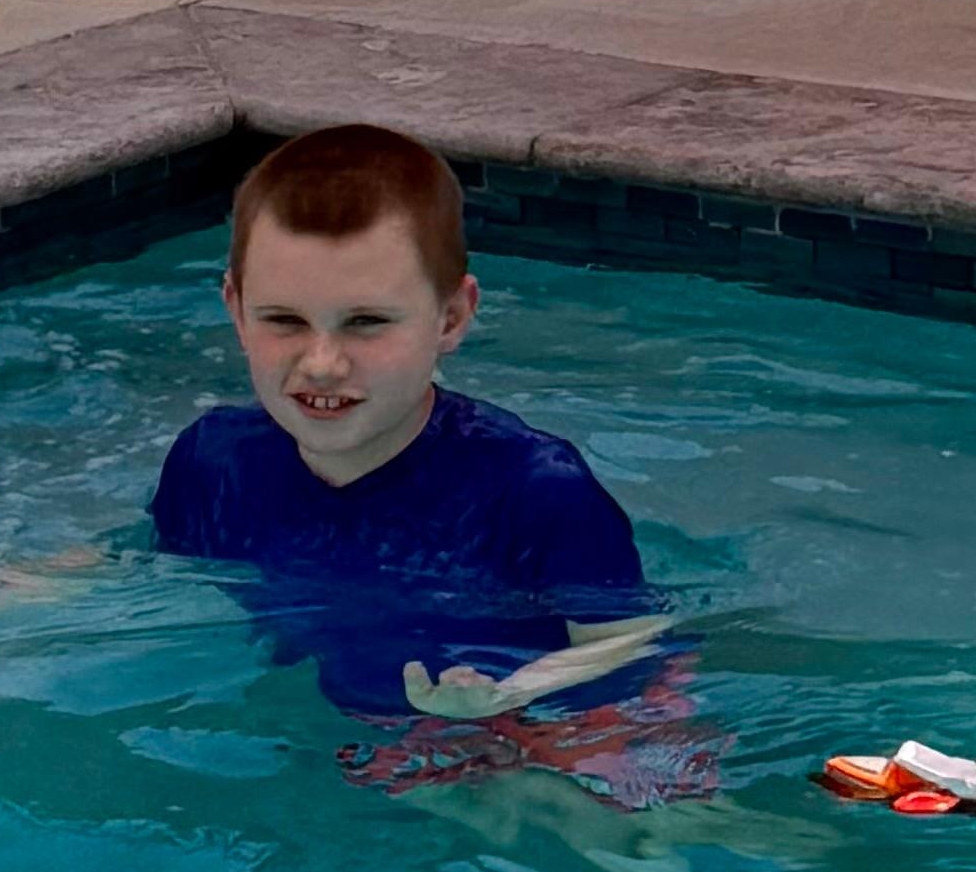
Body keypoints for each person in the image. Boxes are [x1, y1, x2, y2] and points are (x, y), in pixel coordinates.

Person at [151, 123, 679, 737]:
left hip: (528, 729)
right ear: (237, 312)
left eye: (366, 322)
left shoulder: (534, 490)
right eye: (285, 320)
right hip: (339, 720)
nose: (322, 363)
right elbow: (150, 563)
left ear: (450, 319)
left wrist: (509, 695)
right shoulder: (213, 461)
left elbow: (631, 642)